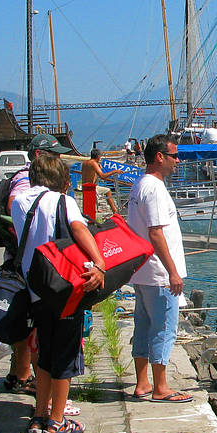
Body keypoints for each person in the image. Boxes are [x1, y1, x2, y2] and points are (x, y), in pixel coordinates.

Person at [11, 154, 105, 433]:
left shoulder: (20, 202)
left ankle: (39, 415)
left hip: (35, 287)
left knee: (44, 353)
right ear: (61, 179)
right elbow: (78, 229)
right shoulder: (63, 201)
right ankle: (56, 419)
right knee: (64, 355)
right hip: (63, 288)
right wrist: (99, 263)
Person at [1, 134, 71, 396]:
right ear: (41, 156)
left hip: (32, 265)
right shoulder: (25, 182)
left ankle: (21, 375)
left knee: (32, 328)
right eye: (55, 155)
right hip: (38, 268)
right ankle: (26, 378)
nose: (60, 159)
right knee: (38, 333)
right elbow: (15, 210)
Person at [126, 135, 191, 402]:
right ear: (160, 157)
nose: (178, 161)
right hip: (158, 274)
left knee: (143, 327)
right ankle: (160, 387)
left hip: (142, 272)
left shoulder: (140, 185)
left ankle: (142, 383)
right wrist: (172, 272)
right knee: (164, 328)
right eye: (174, 156)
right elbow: (155, 233)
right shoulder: (153, 189)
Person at [80, 148, 122, 222]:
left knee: (107, 191)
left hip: (85, 186)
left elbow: (90, 175)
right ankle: (115, 211)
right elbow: (102, 176)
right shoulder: (93, 163)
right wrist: (114, 171)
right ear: (98, 156)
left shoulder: (85, 163)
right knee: (92, 211)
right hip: (91, 188)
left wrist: (98, 168)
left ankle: (114, 210)